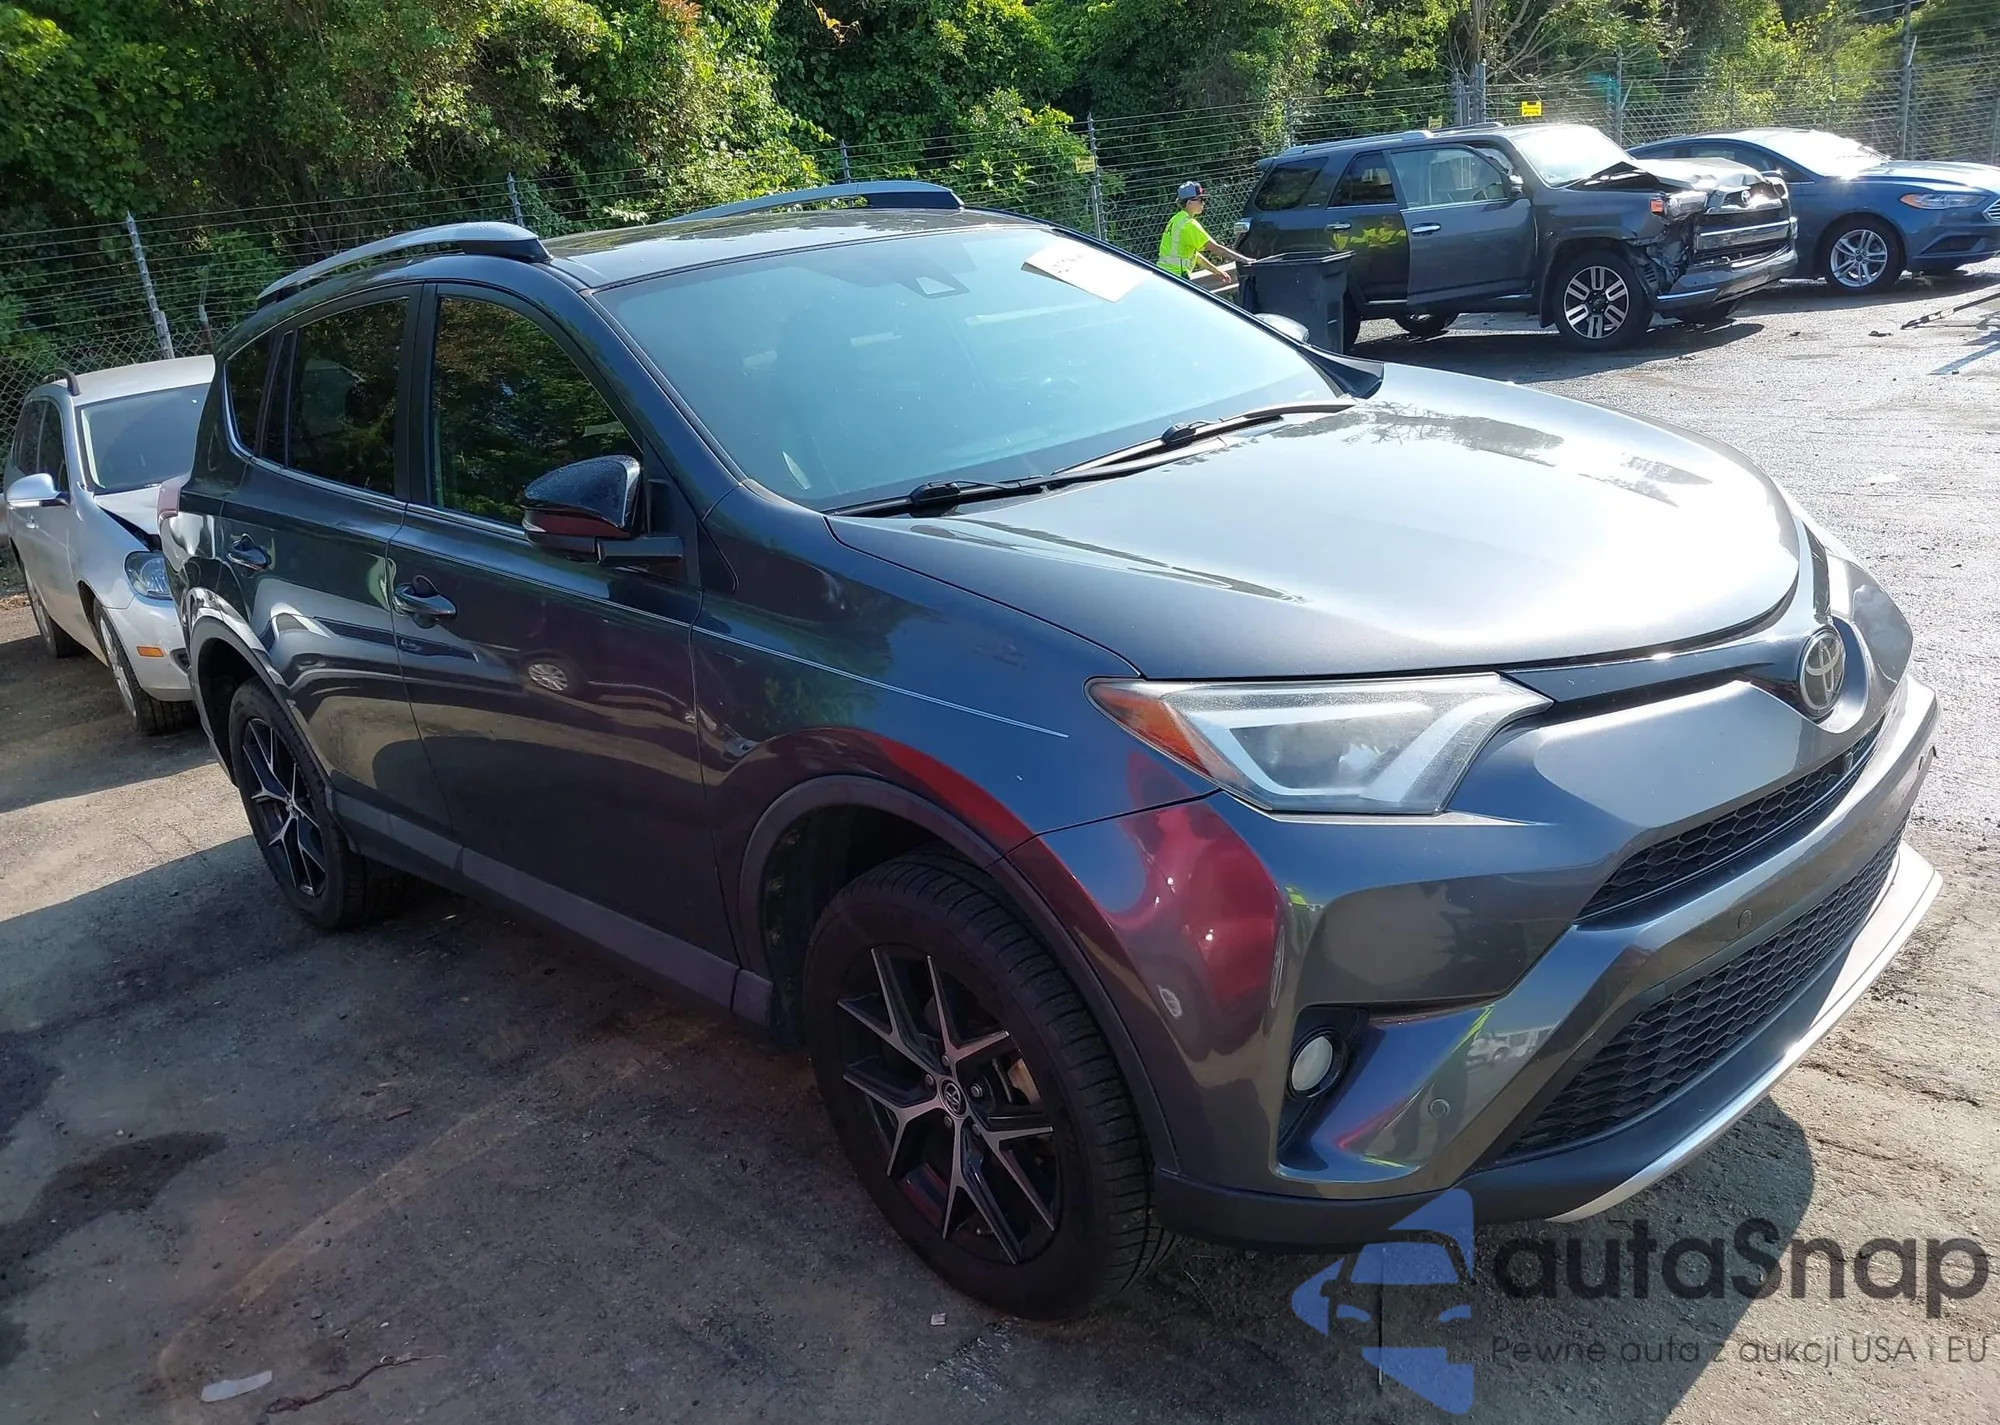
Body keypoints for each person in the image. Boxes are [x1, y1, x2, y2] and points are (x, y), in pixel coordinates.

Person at [1157, 181, 1249, 282]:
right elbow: (1216, 249)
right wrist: (1246, 260)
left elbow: (1195, 256)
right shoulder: (1189, 225)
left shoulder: (1176, 219)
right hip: (1177, 277)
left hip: (1164, 274)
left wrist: (1216, 271)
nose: (1203, 203)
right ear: (1189, 202)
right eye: (1200, 199)